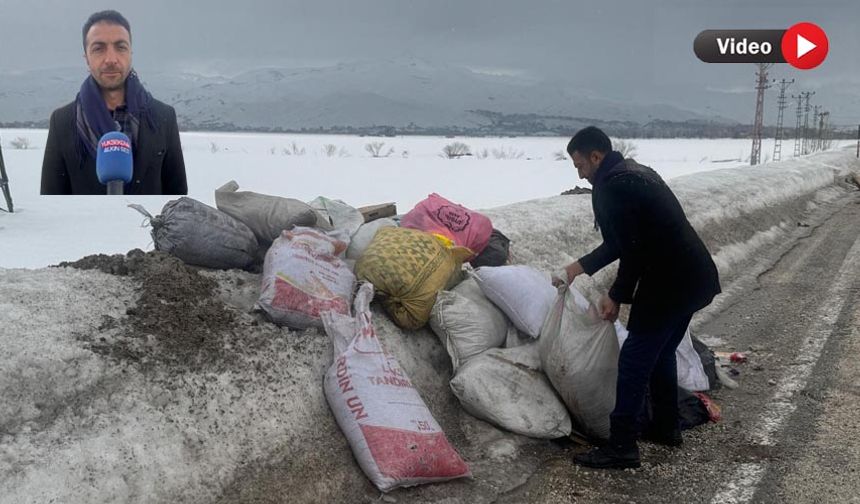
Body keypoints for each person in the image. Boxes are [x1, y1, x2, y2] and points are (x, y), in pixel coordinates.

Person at [556, 126, 720, 469]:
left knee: (633, 361)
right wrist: (578, 267)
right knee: (659, 354)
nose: (581, 175)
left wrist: (616, 296)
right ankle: (666, 426)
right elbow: (624, 241)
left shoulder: (614, 186)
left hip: (670, 282)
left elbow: (632, 248)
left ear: (596, 157)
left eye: (580, 166)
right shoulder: (634, 173)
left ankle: (622, 446)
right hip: (694, 277)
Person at [41, 10, 187, 195]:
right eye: (98, 48)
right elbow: (51, 198)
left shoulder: (163, 116)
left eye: (120, 47)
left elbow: (177, 196)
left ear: (130, 52)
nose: (111, 59)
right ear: (86, 57)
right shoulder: (62, 121)